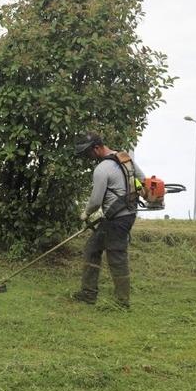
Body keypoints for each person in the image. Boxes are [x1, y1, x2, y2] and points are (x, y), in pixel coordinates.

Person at [72, 132, 146, 309]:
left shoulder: (102, 169)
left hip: (117, 219)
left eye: (87, 153)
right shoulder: (125, 158)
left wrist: (86, 213)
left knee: (117, 256)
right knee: (92, 248)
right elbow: (142, 180)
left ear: (96, 148)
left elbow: (96, 201)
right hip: (126, 213)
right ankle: (88, 293)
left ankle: (122, 302)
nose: (87, 157)